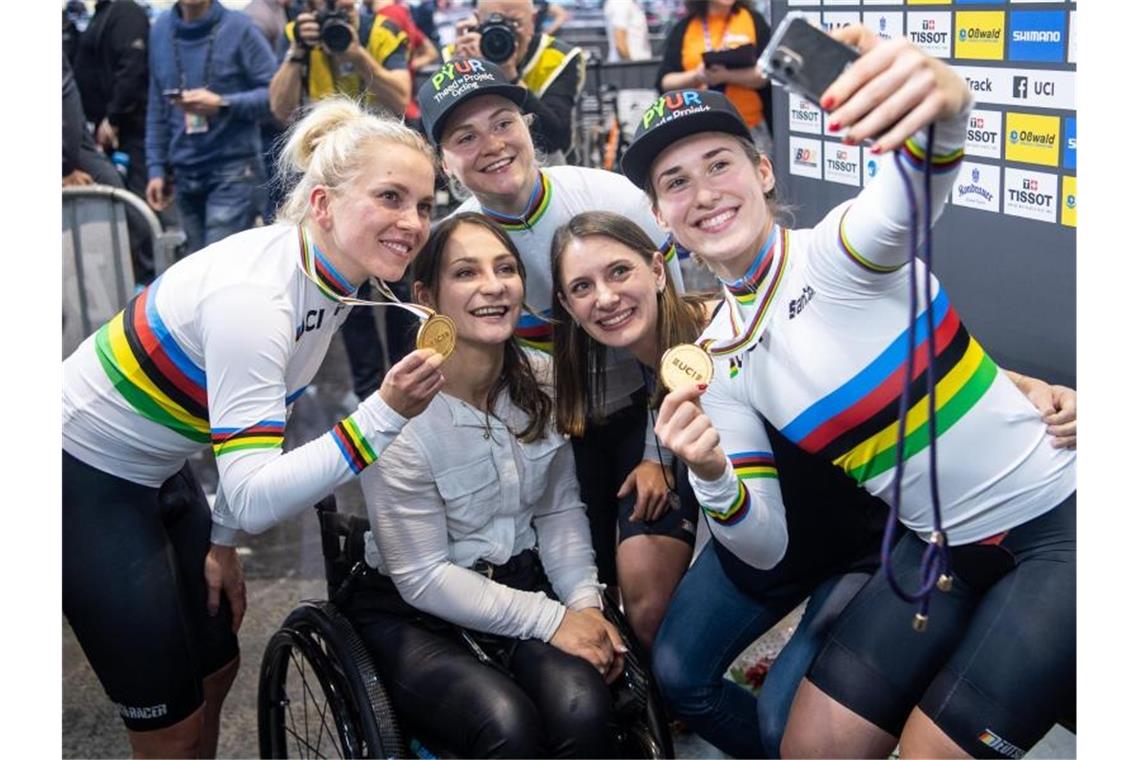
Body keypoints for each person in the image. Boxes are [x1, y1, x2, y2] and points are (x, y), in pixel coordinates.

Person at [622, 25, 1076, 759]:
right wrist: (710, 477)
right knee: (809, 747)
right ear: (661, 217)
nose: (703, 193)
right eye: (675, 182)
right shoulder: (715, 359)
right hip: (938, 550)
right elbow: (764, 546)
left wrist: (944, 103)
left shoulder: (837, 253)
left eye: (719, 164)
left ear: (763, 171)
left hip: (1058, 524)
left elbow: (918, 177)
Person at [550, 210, 1077, 757]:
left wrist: (1031, 387)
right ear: (566, 305)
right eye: (582, 287)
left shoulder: (748, 323)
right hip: (762, 546)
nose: (606, 298)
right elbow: (701, 448)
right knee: (680, 675)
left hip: (858, 546)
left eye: (619, 273)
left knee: (789, 725)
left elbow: (912, 368)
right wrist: (661, 459)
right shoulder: (649, 361)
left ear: (658, 270)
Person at [62, 97, 444, 758]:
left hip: (159, 467)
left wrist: (223, 541)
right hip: (79, 476)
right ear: (322, 204)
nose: (412, 223)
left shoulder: (329, 278)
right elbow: (258, 491)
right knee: (170, 726)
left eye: (424, 204)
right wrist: (382, 417)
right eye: (390, 198)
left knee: (217, 669)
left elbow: (255, 436)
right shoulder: (259, 298)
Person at [417, 58, 696, 650]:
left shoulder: (610, 195)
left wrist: (657, 453)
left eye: (502, 123)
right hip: (542, 439)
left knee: (646, 601)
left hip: (641, 416)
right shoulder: (455, 244)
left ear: (527, 124)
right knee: (574, 598)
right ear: (444, 162)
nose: (491, 146)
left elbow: (676, 335)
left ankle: (667, 704)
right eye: (465, 137)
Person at [348, 212, 623, 758]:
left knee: (585, 707)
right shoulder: (394, 418)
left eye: (505, 269)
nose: (493, 286)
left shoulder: (543, 380)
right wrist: (552, 621)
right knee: (506, 725)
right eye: (466, 273)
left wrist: (586, 606)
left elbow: (558, 510)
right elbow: (423, 577)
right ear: (426, 294)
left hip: (518, 581)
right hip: (415, 612)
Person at [270, 0, 414, 403]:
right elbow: (279, 107)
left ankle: (411, 381)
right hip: (332, 179)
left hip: (387, 174)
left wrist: (356, 53)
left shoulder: (380, 32)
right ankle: (369, 391)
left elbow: (402, 98)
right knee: (344, 286)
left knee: (398, 281)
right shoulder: (298, 37)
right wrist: (297, 51)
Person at [145, 0, 277, 256]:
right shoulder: (161, 30)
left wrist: (223, 104)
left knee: (217, 266)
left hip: (233, 170)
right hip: (184, 172)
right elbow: (157, 106)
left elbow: (275, 96)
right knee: (196, 269)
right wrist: (156, 168)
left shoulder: (240, 28)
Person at [74, 0, 156, 282]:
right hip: (106, 132)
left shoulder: (126, 12)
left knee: (136, 207)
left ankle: (147, 277)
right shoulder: (102, 12)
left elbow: (131, 69)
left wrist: (114, 117)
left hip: (129, 131)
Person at [445, 0, 585, 159]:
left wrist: (510, 75)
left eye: (514, 23)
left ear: (532, 21)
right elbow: (433, 139)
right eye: (492, 22)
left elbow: (555, 138)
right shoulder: (458, 55)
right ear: (477, 20)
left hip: (549, 168)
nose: (505, 32)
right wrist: (457, 74)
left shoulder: (558, 58)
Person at [657, 0, 773, 156]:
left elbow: (766, 74)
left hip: (750, 127)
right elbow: (665, 81)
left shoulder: (752, 20)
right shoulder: (685, 27)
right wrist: (697, 76)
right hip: (696, 128)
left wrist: (726, 76)